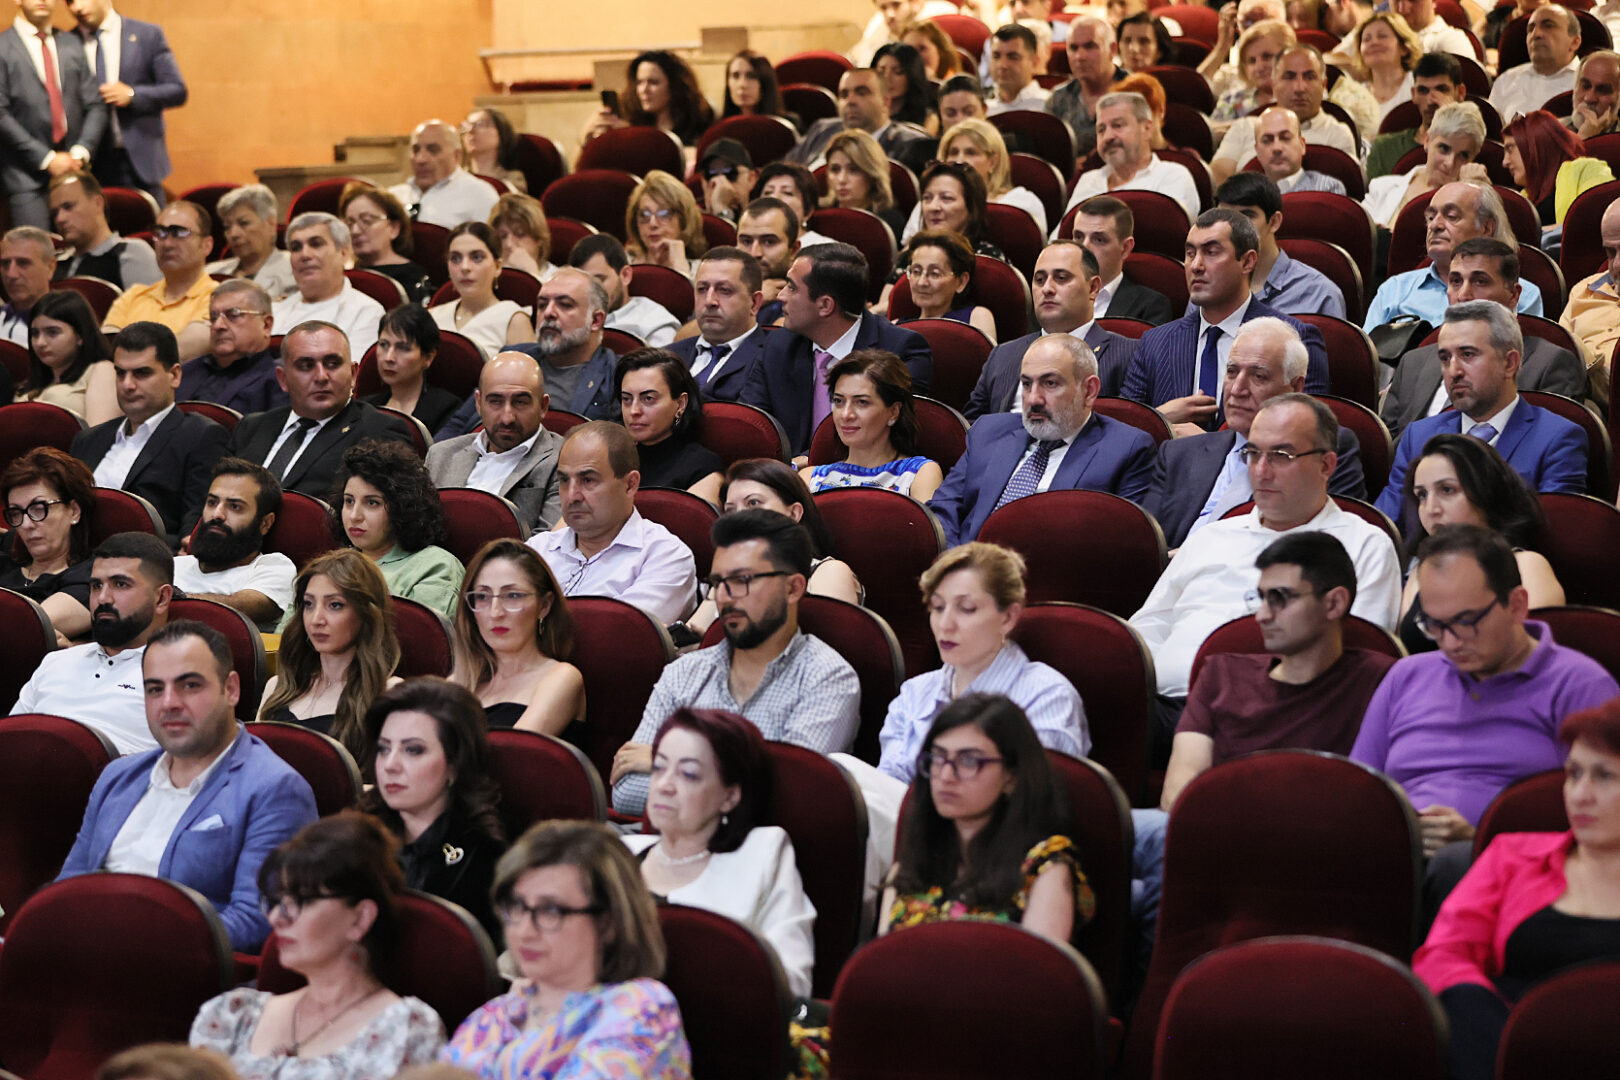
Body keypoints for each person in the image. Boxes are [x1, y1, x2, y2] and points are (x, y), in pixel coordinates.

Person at [1353, 525, 1618, 911]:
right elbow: (1361, 789)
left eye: (1465, 621)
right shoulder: (1406, 676)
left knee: (1453, 864)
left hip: (1523, 873)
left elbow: (1606, 815)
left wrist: (1483, 837)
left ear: (1516, 605)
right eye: (1435, 626)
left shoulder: (1579, 684)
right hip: (1393, 857)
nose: (1451, 642)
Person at [1130, 394, 1402, 756]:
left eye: (1281, 456)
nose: (1260, 471)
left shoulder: (1363, 544)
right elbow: (1147, 629)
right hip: (1166, 707)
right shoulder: (1212, 535)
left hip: (1281, 715)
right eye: (1253, 454)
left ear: (1327, 465)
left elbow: (1358, 660)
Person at [61, 620, 316, 952]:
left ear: (231, 690)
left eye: (190, 685)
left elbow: (256, 923)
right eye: (155, 689)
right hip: (87, 959)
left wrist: (129, 943)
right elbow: (69, 886)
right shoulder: (117, 777)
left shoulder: (275, 790)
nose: (169, 703)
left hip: (185, 979)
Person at [1414, 696, 1620, 1080]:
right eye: (1573, 774)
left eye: (1604, 776)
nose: (1580, 794)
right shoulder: (1511, 857)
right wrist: (1494, 1027)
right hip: (1501, 1047)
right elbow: (1443, 954)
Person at [609, 509, 860, 816]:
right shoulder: (684, 672)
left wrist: (667, 761)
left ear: (793, 588)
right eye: (718, 582)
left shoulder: (827, 678)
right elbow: (627, 791)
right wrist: (739, 779)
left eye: (742, 580)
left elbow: (789, 799)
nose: (726, 597)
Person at [1161, 531, 1398, 809]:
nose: (1261, 615)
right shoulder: (1220, 674)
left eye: (1280, 598)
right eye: (1260, 597)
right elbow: (1178, 793)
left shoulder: (1383, 681)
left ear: (1334, 603)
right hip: (1206, 830)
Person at [190, 813, 444, 1069]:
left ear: (360, 919)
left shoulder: (403, 1031)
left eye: (301, 901)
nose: (277, 918)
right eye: (277, 902)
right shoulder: (233, 1017)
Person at [440, 820, 691, 1077]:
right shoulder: (495, 1014)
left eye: (551, 910)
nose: (524, 931)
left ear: (608, 922)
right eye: (517, 906)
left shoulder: (643, 1009)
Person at [622, 708, 817, 997]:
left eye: (688, 774)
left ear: (730, 796)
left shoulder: (762, 854)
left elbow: (792, 984)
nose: (664, 786)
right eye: (659, 768)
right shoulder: (617, 855)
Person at [882, 694, 1094, 946]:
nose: (946, 776)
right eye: (938, 758)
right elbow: (880, 965)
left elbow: (1039, 981)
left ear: (1012, 776)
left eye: (969, 760)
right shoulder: (912, 864)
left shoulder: (1044, 868)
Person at [1144, 317, 1365, 550]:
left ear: (1296, 388)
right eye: (1231, 372)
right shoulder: (1179, 453)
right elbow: (1145, 545)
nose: (1237, 389)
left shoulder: (1324, 448)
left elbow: (1326, 548)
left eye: (1258, 376)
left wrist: (1199, 559)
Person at [879, 544, 1088, 783]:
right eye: (937, 608)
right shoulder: (914, 694)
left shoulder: (1047, 696)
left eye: (967, 609)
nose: (945, 624)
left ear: (1008, 617)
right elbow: (887, 787)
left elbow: (1033, 804)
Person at [929, 334, 1157, 545]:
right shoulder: (987, 432)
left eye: (1050, 384)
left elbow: (1123, 543)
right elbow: (943, 508)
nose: (1034, 399)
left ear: (1089, 391)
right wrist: (957, 564)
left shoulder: (1127, 449)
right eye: (1027, 384)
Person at [1377, 301, 1588, 524]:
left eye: (1467, 355)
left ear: (1509, 363)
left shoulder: (1558, 439)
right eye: (1445, 358)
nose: (1453, 371)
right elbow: (1387, 524)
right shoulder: (1418, 435)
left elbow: (1553, 536)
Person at [1120, 210, 1330, 433]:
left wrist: (1212, 448)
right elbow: (1118, 434)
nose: (1196, 266)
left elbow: (1309, 435)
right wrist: (1161, 418)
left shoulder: (1295, 338)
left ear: (1247, 262)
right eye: (1190, 253)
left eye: (1211, 252)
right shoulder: (1156, 341)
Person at [741, 242, 932, 456]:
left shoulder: (901, 351)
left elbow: (889, 437)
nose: (780, 296)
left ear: (825, 306)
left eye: (792, 287)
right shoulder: (779, 345)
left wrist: (805, 464)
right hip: (785, 478)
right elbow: (751, 426)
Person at [1384, 238, 1585, 441]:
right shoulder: (1413, 363)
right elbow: (1388, 454)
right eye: (1455, 281)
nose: (1463, 295)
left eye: (1480, 281)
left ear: (1514, 295)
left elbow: (1546, 449)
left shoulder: (1549, 364)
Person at [359, 678, 508, 941]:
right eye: (384, 749)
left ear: (454, 764)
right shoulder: (356, 835)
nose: (390, 765)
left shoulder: (487, 856)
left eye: (413, 750)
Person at [1398, 434, 1566, 654]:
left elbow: (1534, 661)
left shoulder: (1526, 566)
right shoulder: (1422, 570)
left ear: (1486, 492)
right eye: (1421, 495)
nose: (1431, 509)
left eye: (1447, 490)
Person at [12, 531, 176, 755]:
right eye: (96, 586)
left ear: (161, 598)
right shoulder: (56, 661)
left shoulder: (182, 676)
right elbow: (10, 743)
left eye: (120, 584)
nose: (103, 599)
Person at [527, 421, 698, 625]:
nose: (571, 495)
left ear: (630, 484)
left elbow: (615, 636)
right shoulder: (537, 550)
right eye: (564, 480)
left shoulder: (665, 555)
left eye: (588, 480)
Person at [71, 320, 230, 538]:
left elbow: (193, 531)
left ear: (174, 375)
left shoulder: (201, 437)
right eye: (120, 373)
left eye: (142, 373)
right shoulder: (88, 439)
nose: (127, 385)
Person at [679, 457, 863, 638]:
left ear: (793, 513)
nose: (739, 518)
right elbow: (691, 640)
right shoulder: (728, 579)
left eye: (753, 503)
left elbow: (828, 652)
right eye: (731, 510)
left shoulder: (829, 572)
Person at [230, 321, 412, 497]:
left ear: (353, 374)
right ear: (283, 379)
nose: (321, 376)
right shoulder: (251, 427)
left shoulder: (380, 432)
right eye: (306, 366)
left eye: (332, 364)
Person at [966, 241, 1141, 418]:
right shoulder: (1003, 355)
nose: (1047, 289)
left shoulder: (1130, 354)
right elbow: (972, 428)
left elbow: (1128, 427)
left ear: (1093, 288)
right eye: (1040, 280)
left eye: (1061, 278)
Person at [258, 549, 402, 760]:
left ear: (366, 614)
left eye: (335, 605)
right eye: (309, 604)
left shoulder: (389, 695)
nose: (316, 619)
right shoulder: (277, 688)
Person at [1365, 181, 1547, 330]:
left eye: (1451, 216)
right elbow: (1370, 366)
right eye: (1431, 217)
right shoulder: (1394, 290)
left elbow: (1524, 364)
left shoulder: (1521, 296)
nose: (1434, 225)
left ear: (1486, 228)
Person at [451, 537, 585, 738]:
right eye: (482, 597)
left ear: (544, 606)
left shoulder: (562, 678)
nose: (495, 613)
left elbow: (510, 758)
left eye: (513, 596)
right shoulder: (463, 679)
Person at [426, 351, 564, 531]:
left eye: (520, 402)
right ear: (478, 403)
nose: (507, 417)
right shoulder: (441, 455)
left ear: (543, 406)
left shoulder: (563, 460)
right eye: (495, 401)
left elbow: (548, 545)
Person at [0, 0, 105, 230]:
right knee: (36, 253)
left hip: (76, 170)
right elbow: (1, 114)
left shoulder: (71, 42)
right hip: (26, 177)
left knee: (83, 253)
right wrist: (47, 159)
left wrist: (81, 152)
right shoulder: (2, 46)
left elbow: (95, 104)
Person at [330, 439, 463, 620]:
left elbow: (421, 642)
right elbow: (289, 637)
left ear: (402, 508)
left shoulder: (436, 566)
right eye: (349, 501)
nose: (354, 516)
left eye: (372, 503)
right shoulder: (334, 564)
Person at [66, 0, 184, 202]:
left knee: (152, 227)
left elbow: (177, 90)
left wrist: (132, 95)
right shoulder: (67, 42)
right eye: (69, 1)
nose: (76, 7)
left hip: (140, 157)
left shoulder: (147, 35)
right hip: (93, 161)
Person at [800, 348, 943, 500]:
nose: (846, 414)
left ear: (893, 412)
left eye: (862, 402)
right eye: (839, 401)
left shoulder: (920, 474)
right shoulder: (810, 479)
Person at [174, 458, 296, 632]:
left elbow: (242, 607)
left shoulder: (273, 567)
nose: (217, 514)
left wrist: (170, 598)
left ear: (265, 524)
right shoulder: (171, 565)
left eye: (235, 507)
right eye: (212, 502)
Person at [1212, 45, 1359, 186]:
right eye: (1289, 77)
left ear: (1323, 85)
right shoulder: (1244, 128)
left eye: (1309, 77)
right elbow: (1218, 180)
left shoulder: (1338, 134)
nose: (1299, 88)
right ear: (1274, 85)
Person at [1215, 171, 1346, 318]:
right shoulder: (1209, 285)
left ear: (1274, 222)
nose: (1232, 228)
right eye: (1225, 217)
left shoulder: (1318, 293)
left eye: (1247, 216)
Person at [0, 446, 100, 640]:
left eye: (38, 508)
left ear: (73, 511)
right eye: (16, 513)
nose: (27, 524)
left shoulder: (90, 578)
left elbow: (23, 629)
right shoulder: (6, 558)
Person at [1062, 92, 1200, 226]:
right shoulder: (1088, 180)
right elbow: (1059, 239)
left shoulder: (1173, 176)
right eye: (1101, 129)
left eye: (1118, 125)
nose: (1108, 137)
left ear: (1147, 129)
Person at [102, 200, 214, 362]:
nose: (167, 243)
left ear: (206, 245)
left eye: (179, 233)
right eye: (160, 233)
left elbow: (181, 352)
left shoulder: (216, 298)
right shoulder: (133, 296)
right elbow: (105, 348)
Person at [903, 118, 1048, 242]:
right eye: (953, 152)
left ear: (993, 162)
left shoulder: (1021, 203)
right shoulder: (931, 201)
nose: (959, 160)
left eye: (970, 152)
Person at [614, 347, 724, 504]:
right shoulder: (612, 459)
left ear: (680, 404)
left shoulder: (703, 468)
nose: (634, 411)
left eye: (649, 398)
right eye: (626, 399)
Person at [271, 213, 386, 359]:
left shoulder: (366, 312)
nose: (305, 255)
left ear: (344, 253)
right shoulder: (274, 310)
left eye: (316, 244)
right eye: (296, 247)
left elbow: (351, 377)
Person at [786, 67, 936, 177]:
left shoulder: (910, 144)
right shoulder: (822, 129)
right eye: (844, 95)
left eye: (861, 93)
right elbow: (786, 171)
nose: (850, 101)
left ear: (885, 102)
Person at [1363, 101, 1488, 230]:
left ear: (1473, 159)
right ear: (1427, 140)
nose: (1450, 163)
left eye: (1463, 156)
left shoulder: (1474, 200)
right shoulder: (1382, 187)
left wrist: (1476, 194)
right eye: (1444, 149)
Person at [668, 246, 767, 402]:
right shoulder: (668, 357)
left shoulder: (772, 357)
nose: (709, 301)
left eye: (724, 290)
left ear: (754, 303)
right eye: (702, 289)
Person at [176, 280, 287, 416]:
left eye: (233, 315)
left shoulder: (279, 381)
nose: (218, 325)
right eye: (213, 317)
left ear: (266, 325)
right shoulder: (184, 372)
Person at [428, 221, 532, 360]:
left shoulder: (514, 319)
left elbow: (524, 379)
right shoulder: (432, 316)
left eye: (477, 257)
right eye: (455, 258)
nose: (464, 267)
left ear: (498, 266)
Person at [1069, 195, 1176, 325]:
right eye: (1078, 237)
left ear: (1125, 248)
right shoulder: (1049, 294)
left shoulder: (1150, 307)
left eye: (1099, 240)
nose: (1084, 248)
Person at [1504, 109, 1615, 228]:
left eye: (1510, 149)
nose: (1505, 162)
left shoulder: (1588, 169)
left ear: (1536, 144)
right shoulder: (1523, 198)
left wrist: (1543, 233)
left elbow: (1594, 225)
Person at [1368, 50, 1470, 179]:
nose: (1431, 100)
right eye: (1423, 90)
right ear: (1413, 94)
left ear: (1460, 92)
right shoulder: (1384, 147)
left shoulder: (1472, 149)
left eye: (1442, 90)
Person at [582, 49, 714, 147]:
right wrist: (586, 139)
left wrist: (636, 138)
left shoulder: (697, 126)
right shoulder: (630, 122)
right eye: (640, 82)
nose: (644, 90)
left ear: (675, 86)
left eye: (653, 82)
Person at [569, 233, 681, 349]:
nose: (591, 291)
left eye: (599, 280)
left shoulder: (655, 322)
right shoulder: (564, 316)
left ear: (625, 275)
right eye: (583, 283)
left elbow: (664, 366)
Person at [49, 171, 160, 287]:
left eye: (68, 207)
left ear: (98, 203)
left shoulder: (132, 253)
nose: (60, 219)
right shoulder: (53, 264)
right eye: (54, 213)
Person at [24, 288, 117, 424]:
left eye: (52, 332)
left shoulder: (101, 370)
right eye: (35, 333)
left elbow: (98, 437)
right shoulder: (29, 385)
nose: (40, 342)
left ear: (80, 336)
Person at [365, 304, 462, 433]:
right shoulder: (364, 407)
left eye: (403, 348)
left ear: (428, 358)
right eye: (383, 345)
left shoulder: (446, 409)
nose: (389, 358)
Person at [389, 119, 499, 229]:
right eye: (416, 150)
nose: (420, 159)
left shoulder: (479, 195)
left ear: (457, 155)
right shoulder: (395, 197)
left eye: (433, 150)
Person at [1047, 16, 1128, 161]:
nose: (1080, 56)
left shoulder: (1136, 91)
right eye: (1073, 48)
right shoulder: (1058, 98)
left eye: (1090, 46)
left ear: (1113, 49)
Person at [1561, 198, 1620, 392]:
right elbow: (1560, 356)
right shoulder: (1583, 290)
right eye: (1611, 252)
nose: (1617, 264)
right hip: (1582, 397)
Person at [342, 182, 436, 305]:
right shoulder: (342, 276)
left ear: (393, 228)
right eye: (349, 224)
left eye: (366, 221)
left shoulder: (413, 277)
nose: (355, 231)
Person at [897, 230, 999, 343]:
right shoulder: (895, 327)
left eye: (934, 273)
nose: (921, 282)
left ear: (961, 282)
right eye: (916, 271)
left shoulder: (976, 318)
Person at [1491, 3, 1583, 122]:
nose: (1536, 34)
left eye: (1548, 26)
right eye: (1530, 29)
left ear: (1575, 42)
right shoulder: (1506, 81)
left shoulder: (1589, 85)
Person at [205, 184, 295, 300]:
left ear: (271, 224)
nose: (234, 234)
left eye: (244, 223)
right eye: (227, 227)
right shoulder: (210, 274)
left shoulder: (296, 269)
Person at [1209, 19, 1295, 132]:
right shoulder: (1231, 100)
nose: (1259, 67)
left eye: (1267, 57)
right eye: (1252, 61)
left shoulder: (1302, 97)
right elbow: (1210, 134)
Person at [913, 160, 1006, 264]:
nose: (933, 207)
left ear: (971, 207)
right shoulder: (911, 255)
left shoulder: (988, 261)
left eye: (946, 198)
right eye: (927, 198)